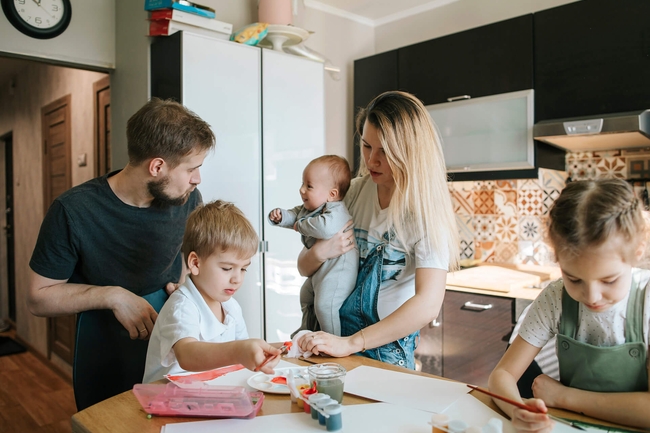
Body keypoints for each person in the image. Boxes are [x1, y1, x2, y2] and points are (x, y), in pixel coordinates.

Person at [27, 98, 215, 409]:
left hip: (172, 334)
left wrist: (183, 288)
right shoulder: (72, 210)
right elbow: (37, 297)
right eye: (192, 169)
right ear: (156, 167)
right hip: (103, 339)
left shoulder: (188, 198)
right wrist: (113, 296)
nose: (197, 179)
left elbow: (188, 253)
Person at [296, 91, 460, 369]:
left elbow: (428, 303)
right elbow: (303, 266)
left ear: (409, 152)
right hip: (334, 339)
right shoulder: (352, 194)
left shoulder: (425, 214)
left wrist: (351, 343)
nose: (371, 161)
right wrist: (321, 251)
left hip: (386, 351)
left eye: (384, 151)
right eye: (366, 146)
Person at [488, 178, 650, 431]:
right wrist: (517, 410)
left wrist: (564, 397)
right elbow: (502, 376)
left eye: (609, 280)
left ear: (637, 251)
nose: (592, 296)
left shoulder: (647, 301)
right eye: (573, 278)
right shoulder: (555, 298)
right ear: (557, 258)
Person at [144, 200, 281, 383]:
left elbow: (246, 351)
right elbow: (187, 355)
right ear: (195, 263)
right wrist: (239, 351)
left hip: (210, 395)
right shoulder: (182, 306)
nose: (237, 279)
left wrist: (291, 347)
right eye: (227, 268)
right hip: (168, 401)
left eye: (243, 269)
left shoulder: (231, 307)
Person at [268, 155, 358, 336]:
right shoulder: (310, 208)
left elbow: (324, 229)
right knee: (306, 295)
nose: (301, 190)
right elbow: (296, 214)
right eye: (303, 183)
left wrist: (299, 226)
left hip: (338, 271)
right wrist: (281, 217)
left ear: (332, 194)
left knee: (325, 305)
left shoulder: (337, 211)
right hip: (322, 269)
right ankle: (306, 328)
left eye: (309, 186)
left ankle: (332, 340)